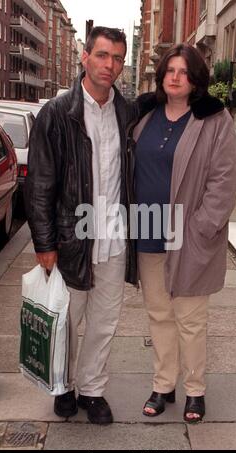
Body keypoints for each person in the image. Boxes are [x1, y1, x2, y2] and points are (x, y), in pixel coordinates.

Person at [24, 26, 154, 425]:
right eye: (102, 55)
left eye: (117, 58)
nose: (110, 65)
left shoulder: (126, 110)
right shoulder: (58, 113)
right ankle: (63, 386)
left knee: (104, 321)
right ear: (85, 56)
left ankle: (93, 390)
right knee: (66, 319)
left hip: (114, 239)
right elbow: (40, 183)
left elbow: (169, 96)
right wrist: (45, 243)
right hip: (71, 239)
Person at [132, 43, 236, 423]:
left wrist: (202, 227)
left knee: (191, 319)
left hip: (190, 237)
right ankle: (164, 384)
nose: (175, 77)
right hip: (147, 231)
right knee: (159, 314)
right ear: (161, 75)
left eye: (184, 72)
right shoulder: (145, 115)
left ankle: (196, 390)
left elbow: (223, 180)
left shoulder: (213, 120)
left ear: (195, 79)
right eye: (170, 70)